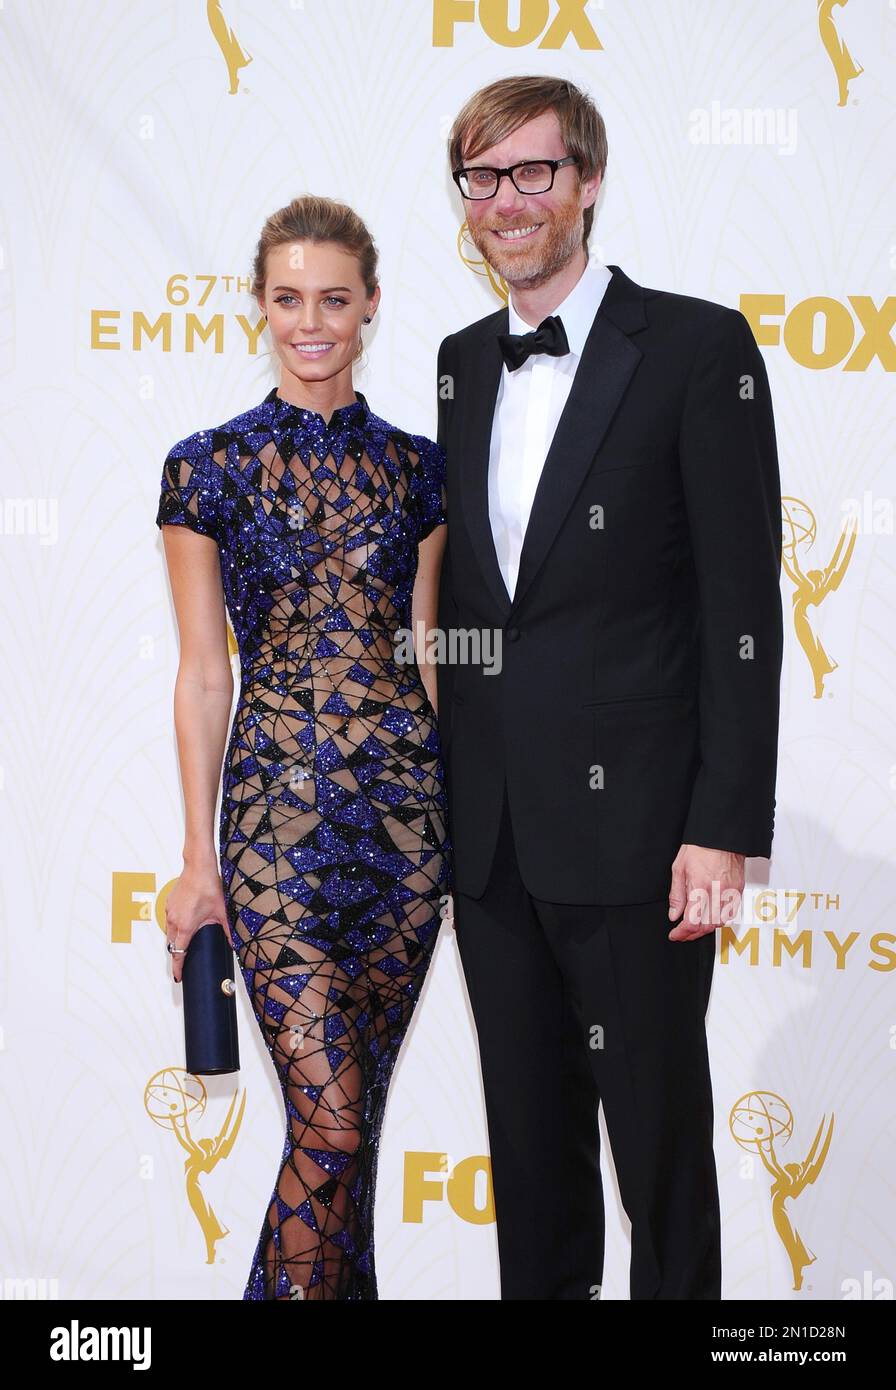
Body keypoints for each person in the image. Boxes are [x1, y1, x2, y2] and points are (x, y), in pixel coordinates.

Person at [435, 75, 783, 1299]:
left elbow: (741, 609)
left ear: (585, 181)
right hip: (491, 847)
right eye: (483, 178)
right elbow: (486, 614)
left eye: (532, 172)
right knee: (530, 1174)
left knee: (660, 1167)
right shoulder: (458, 363)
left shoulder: (694, 348)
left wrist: (721, 826)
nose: (508, 200)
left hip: (641, 841)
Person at [155, 195, 450, 1300]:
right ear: (261, 305)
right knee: (325, 1128)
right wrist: (198, 861)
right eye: (288, 298)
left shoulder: (418, 471)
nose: (311, 322)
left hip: (407, 835)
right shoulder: (208, 468)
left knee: (351, 1143)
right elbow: (201, 673)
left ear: (370, 306)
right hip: (275, 838)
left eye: (334, 298)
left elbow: (424, 654)